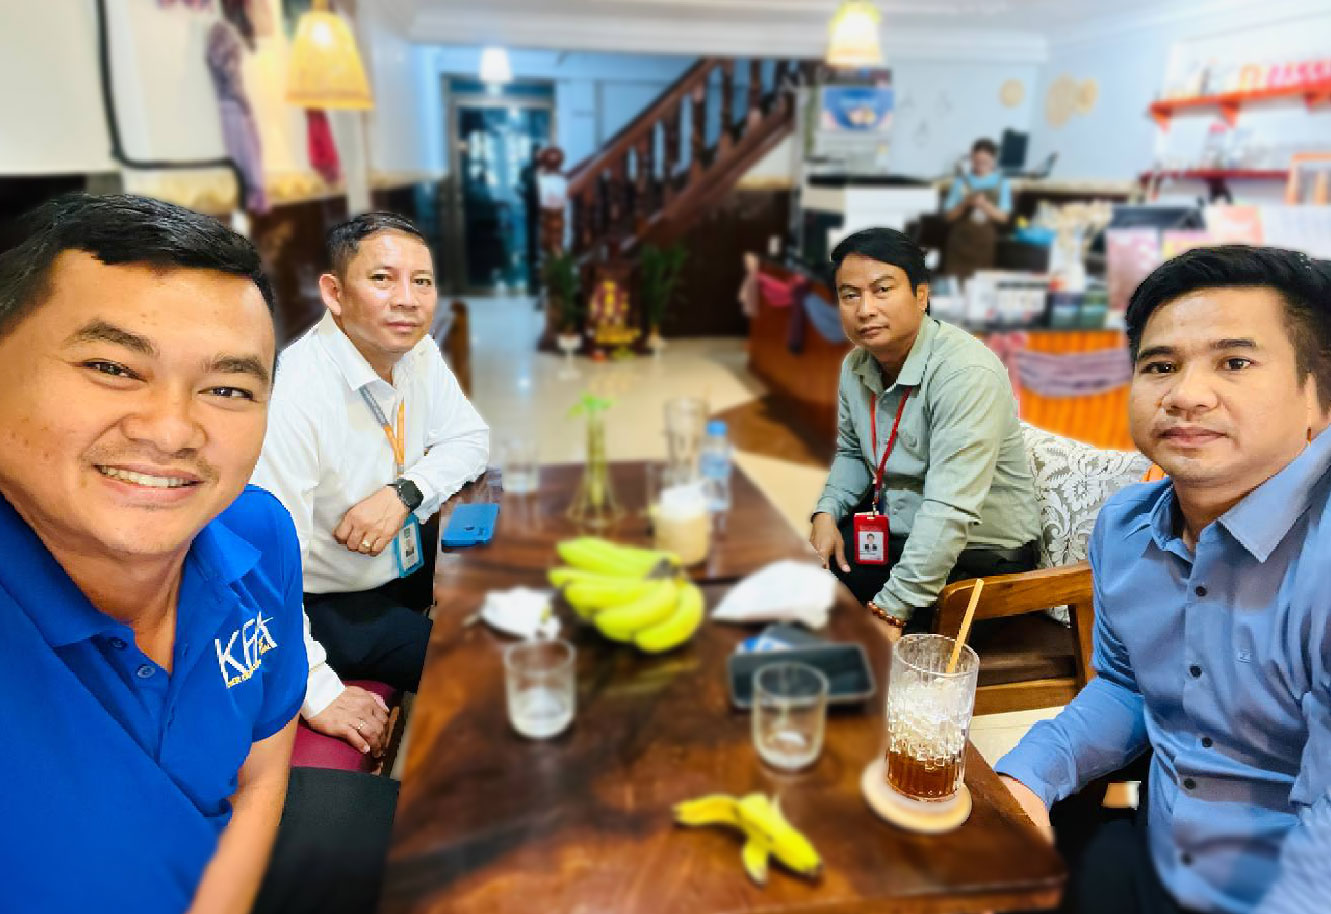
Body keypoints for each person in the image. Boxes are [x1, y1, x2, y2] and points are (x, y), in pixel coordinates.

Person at [996, 245, 1331, 914]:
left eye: (1234, 362)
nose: (1184, 395)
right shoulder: (1124, 528)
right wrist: (1028, 775)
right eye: (1160, 366)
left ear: (1316, 397)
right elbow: (1127, 687)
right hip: (1156, 855)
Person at [0, 193, 305, 912]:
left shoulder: (257, 532)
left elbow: (261, 769)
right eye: (112, 367)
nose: (172, 431)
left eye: (227, 388)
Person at [252, 211, 488, 755]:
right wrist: (317, 691)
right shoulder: (294, 400)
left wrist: (404, 494)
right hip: (328, 601)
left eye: (421, 281)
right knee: (482, 667)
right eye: (382, 278)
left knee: (525, 602)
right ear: (334, 293)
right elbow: (268, 571)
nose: (407, 300)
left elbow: (470, 439)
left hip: (401, 560)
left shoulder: (415, 351)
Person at [809, 227, 1040, 641]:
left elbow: (950, 510)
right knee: (811, 587)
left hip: (981, 559)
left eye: (882, 290)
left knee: (856, 642)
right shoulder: (856, 366)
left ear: (920, 295)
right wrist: (826, 512)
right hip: (904, 531)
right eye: (850, 295)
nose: (865, 309)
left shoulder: (964, 372)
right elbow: (853, 453)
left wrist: (890, 611)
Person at [942, 137, 1012, 280]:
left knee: (980, 284)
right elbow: (948, 216)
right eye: (976, 161)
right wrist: (965, 203)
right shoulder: (961, 182)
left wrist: (984, 205)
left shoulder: (1001, 182)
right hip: (959, 245)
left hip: (984, 246)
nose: (980, 165)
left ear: (993, 160)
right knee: (954, 285)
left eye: (984, 162)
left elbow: (1003, 218)